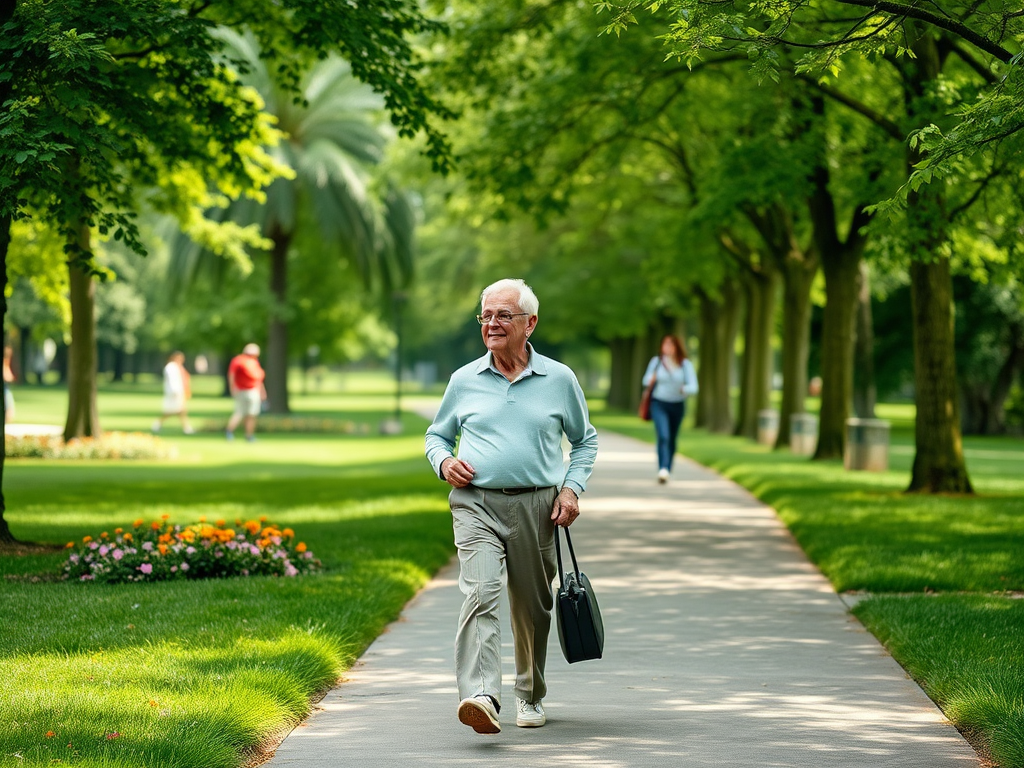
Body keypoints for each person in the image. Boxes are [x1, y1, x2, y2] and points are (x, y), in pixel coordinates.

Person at [425, 278, 598, 735]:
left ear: (530, 323)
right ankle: (482, 695)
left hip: (537, 506)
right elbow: (436, 435)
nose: (492, 324)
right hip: (475, 504)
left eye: (504, 315)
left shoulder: (559, 379)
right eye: (486, 315)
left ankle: (530, 694)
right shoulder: (464, 379)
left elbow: (585, 441)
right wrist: (444, 461)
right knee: (480, 594)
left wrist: (571, 489)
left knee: (532, 608)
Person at [642, 334, 699, 483]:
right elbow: (645, 380)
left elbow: (694, 387)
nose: (667, 347)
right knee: (663, 435)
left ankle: (668, 466)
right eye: (665, 344)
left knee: (672, 438)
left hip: (677, 404)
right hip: (659, 403)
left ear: (677, 347)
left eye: (671, 344)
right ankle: (663, 469)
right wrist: (651, 379)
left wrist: (684, 389)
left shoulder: (685, 365)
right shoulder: (657, 362)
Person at [226, 343, 266, 442]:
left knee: (250, 414)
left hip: (252, 390)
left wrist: (262, 391)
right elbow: (232, 375)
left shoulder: (253, 362)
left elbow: (258, 379)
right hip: (243, 390)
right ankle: (230, 432)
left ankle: (248, 435)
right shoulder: (239, 361)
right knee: (242, 413)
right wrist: (232, 388)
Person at [152, 351, 194, 434]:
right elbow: (172, 381)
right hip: (174, 392)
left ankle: (186, 427)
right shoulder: (171, 367)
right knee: (173, 411)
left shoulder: (178, 367)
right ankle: (158, 423)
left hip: (179, 392)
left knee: (181, 410)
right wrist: (175, 391)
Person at [3, 345, 15, 422]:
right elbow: (6, 374)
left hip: (6, 386)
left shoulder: (6, 361)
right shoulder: (4, 361)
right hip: (5, 386)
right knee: (8, 399)